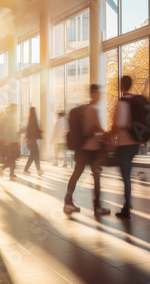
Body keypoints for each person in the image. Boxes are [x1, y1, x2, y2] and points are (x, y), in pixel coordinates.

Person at [64, 85, 110, 216]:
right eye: (97, 93)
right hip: (90, 150)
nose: (99, 96)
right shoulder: (92, 110)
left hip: (81, 149)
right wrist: (108, 138)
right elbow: (97, 129)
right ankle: (97, 207)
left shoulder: (84, 110)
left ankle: (68, 203)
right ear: (92, 94)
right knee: (95, 177)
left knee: (77, 174)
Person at [108, 75, 141, 219]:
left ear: (121, 85)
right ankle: (128, 202)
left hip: (125, 145)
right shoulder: (135, 101)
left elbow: (118, 125)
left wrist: (107, 136)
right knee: (127, 175)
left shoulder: (122, 103)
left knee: (125, 177)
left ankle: (127, 206)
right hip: (135, 144)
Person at [0, 103, 20, 179]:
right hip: (11, 140)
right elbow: (5, 129)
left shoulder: (12, 117)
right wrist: (6, 138)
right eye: (15, 108)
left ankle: (11, 172)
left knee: (13, 156)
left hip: (13, 139)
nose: (16, 110)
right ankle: (3, 168)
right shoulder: (9, 118)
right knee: (15, 154)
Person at [23, 107, 43, 176]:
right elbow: (35, 129)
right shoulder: (33, 119)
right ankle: (36, 170)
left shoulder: (30, 119)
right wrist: (40, 132)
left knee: (34, 155)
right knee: (35, 155)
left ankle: (37, 170)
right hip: (32, 141)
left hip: (30, 141)